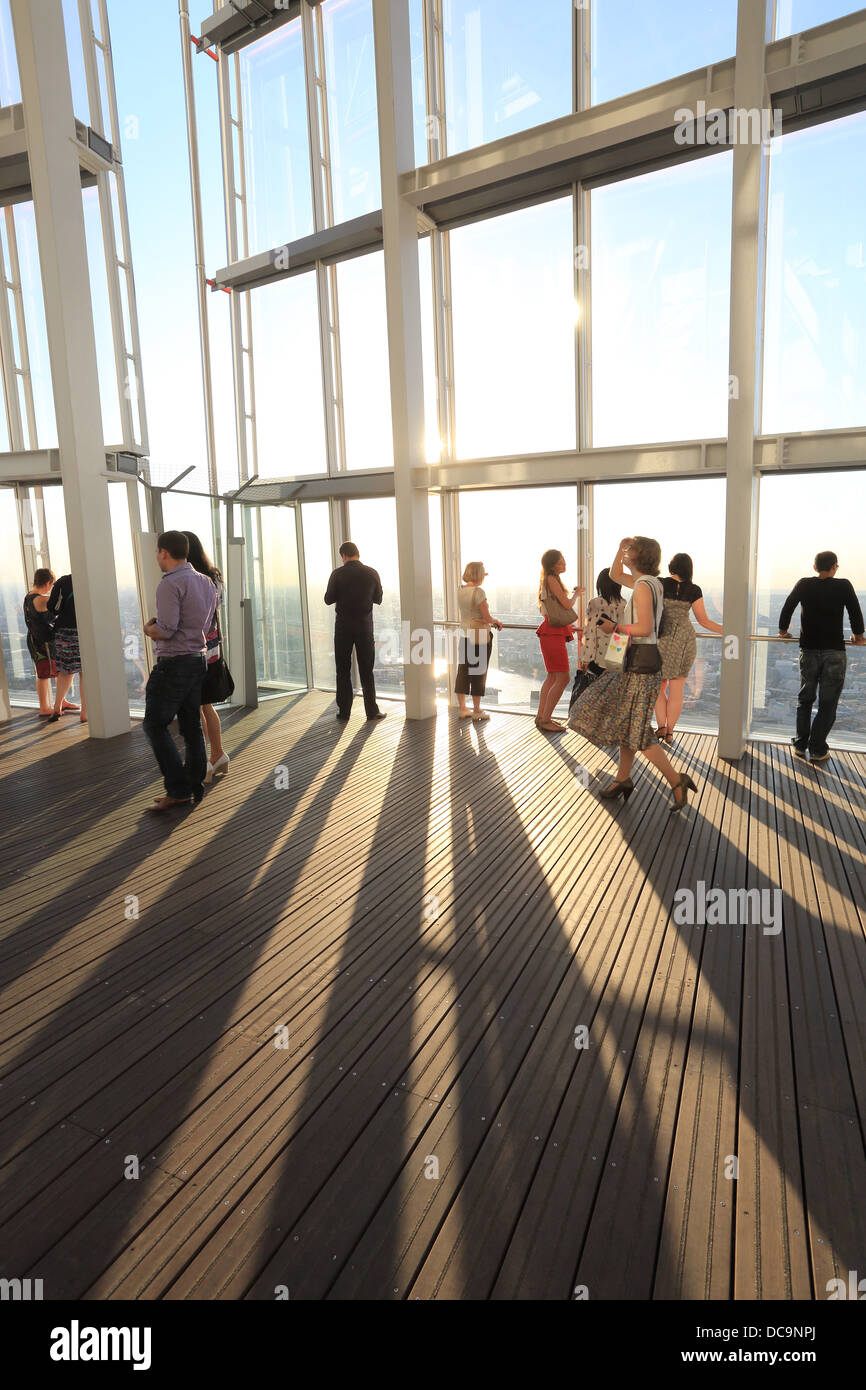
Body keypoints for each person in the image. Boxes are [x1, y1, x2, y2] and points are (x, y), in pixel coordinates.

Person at [567, 536, 698, 811]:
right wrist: (618, 548)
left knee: (635, 732)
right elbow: (615, 574)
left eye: (629, 551)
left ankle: (677, 781)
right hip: (640, 663)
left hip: (639, 663)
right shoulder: (650, 583)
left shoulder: (642, 587)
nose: (625, 554)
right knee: (629, 726)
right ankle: (623, 779)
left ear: (637, 557)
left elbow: (645, 628)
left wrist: (613, 628)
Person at [142, 530, 218, 811]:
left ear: (164, 552)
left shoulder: (169, 584)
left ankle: (177, 788)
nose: (157, 558)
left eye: (157, 553)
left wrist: (149, 629)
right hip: (197, 660)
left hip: (174, 663)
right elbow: (209, 626)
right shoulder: (206, 582)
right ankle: (192, 787)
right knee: (191, 726)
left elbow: (166, 629)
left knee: (154, 724)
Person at [778, 550, 865, 763]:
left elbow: (788, 606)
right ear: (835, 566)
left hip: (808, 650)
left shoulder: (804, 584)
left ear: (815, 567)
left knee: (805, 699)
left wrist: (783, 631)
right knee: (828, 703)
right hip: (834, 650)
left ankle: (800, 745)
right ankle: (817, 749)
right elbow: (855, 611)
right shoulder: (844, 585)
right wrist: (858, 635)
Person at [654, 553, 724, 743]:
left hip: (662, 638)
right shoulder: (694, 589)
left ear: (671, 566)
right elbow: (704, 621)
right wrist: (728, 631)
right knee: (678, 689)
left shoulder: (659, 583)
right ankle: (670, 732)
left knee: (658, 687)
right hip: (684, 639)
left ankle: (660, 726)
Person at [183, 530, 229, 782]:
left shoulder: (192, 580)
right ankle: (218, 754)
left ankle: (203, 762)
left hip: (194, 650)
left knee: (195, 706)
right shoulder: (214, 577)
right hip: (213, 649)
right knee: (203, 704)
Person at [324, 541, 386, 722]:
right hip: (364, 628)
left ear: (343, 555)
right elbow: (379, 598)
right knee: (367, 670)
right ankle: (372, 712)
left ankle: (344, 712)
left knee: (342, 669)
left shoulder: (337, 574)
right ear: (357, 554)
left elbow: (328, 599)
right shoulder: (371, 573)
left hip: (343, 628)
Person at [535, 549, 583, 733]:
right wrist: (577, 594)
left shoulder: (546, 580)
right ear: (553, 564)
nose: (564, 564)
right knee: (563, 677)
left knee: (552, 677)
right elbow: (567, 605)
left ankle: (541, 717)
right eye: (561, 562)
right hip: (553, 634)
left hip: (549, 632)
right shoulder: (551, 579)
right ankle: (546, 719)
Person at [569, 567, 625, 712]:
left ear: (600, 584)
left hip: (599, 657)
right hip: (617, 655)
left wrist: (585, 659)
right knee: (612, 697)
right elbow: (624, 633)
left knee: (596, 697)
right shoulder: (624, 604)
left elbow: (590, 633)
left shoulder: (596, 603)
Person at [23, 567, 76, 718]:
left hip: (35, 639)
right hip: (44, 641)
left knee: (48, 673)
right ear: (47, 583)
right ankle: (45, 707)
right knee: (47, 673)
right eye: (52, 585)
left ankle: (59, 701)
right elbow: (59, 607)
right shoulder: (42, 600)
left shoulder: (29, 597)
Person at [455, 561, 502, 722]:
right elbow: (487, 617)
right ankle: (476, 710)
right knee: (478, 672)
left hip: (464, 634)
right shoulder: (479, 592)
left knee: (463, 670)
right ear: (479, 575)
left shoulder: (460, 590)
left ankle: (462, 708)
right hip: (480, 636)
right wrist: (496, 621)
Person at [45, 573, 86, 723]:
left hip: (63, 631)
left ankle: (57, 708)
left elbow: (51, 607)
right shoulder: (89, 579)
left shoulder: (63, 580)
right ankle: (85, 713)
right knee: (85, 673)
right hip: (83, 630)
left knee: (65, 672)